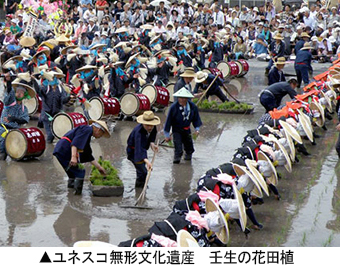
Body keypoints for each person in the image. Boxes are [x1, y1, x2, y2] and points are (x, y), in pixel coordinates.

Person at [53, 120, 110, 195]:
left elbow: (87, 154)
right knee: (80, 172)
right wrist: (73, 157)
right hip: (65, 150)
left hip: (61, 149)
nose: (100, 137)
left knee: (72, 173)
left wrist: (99, 168)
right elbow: (75, 143)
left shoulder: (87, 132)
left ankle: (71, 190)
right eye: (101, 134)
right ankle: (77, 195)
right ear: (98, 130)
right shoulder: (87, 130)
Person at [164, 88, 202, 164]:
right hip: (177, 130)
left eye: (183, 98)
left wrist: (197, 129)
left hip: (187, 130)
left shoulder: (193, 107)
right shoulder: (173, 107)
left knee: (189, 148)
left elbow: (196, 119)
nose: (181, 100)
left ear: (187, 98)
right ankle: (176, 163)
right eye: (180, 98)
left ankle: (188, 163)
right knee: (178, 149)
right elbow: (168, 121)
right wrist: (167, 134)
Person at [0, 75, 32, 160]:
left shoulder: (24, 108)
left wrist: (14, 119)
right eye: (17, 91)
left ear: (24, 95)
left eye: (21, 92)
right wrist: (9, 82)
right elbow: (8, 92)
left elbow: (25, 120)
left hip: (15, 132)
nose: (19, 93)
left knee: (17, 154)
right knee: (2, 153)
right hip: (4, 130)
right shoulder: (9, 102)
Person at [126, 111, 160, 188]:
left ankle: (142, 184)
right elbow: (139, 148)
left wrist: (152, 143)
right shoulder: (139, 132)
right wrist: (147, 161)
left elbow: (153, 134)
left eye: (151, 125)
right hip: (134, 152)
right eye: (147, 125)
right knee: (143, 171)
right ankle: (139, 187)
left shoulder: (152, 127)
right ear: (143, 123)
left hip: (141, 149)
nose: (150, 127)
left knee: (141, 170)